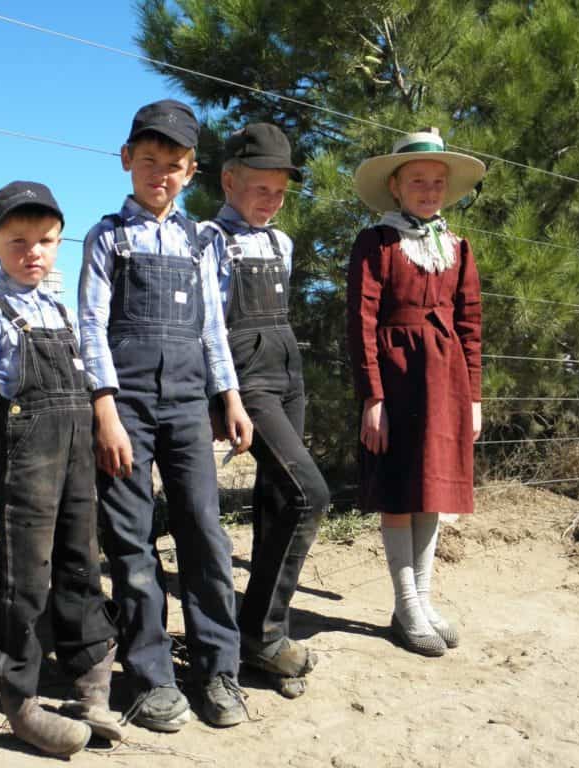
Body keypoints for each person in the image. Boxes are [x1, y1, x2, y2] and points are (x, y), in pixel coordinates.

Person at [78, 100, 254, 732]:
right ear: (127, 160)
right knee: (130, 543)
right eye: (148, 160)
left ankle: (219, 671)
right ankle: (150, 676)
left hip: (187, 407)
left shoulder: (202, 239)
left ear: (192, 171)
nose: (160, 173)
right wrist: (105, 411)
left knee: (205, 532)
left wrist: (227, 397)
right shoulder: (107, 238)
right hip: (124, 409)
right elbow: (91, 327)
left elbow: (212, 329)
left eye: (173, 164)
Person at [0, 181, 121, 756]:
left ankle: (91, 685)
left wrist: (100, 429)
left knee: (81, 567)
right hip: (26, 461)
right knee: (26, 578)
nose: (34, 253)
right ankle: (20, 702)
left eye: (45, 240)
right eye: (17, 241)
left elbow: (86, 383)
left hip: (75, 461)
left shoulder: (63, 311)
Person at [346, 129, 485, 657]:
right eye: (418, 180)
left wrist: (472, 397)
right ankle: (405, 605)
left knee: (434, 490)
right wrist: (373, 396)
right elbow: (360, 322)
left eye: (437, 182)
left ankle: (424, 599)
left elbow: (470, 324)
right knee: (400, 489)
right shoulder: (377, 243)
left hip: (445, 380)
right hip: (397, 377)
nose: (429, 190)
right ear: (396, 187)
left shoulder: (457, 248)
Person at [202, 124, 330, 698]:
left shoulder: (282, 243)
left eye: (280, 191)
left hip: (287, 366)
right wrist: (224, 393)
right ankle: (264, 633)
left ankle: (258, 640)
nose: (271, 200)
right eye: (260, 188)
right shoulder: (209, 239)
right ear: (229, 180)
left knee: (279, 500)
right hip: (245, 375)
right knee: (312, 494)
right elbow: (208, 324)